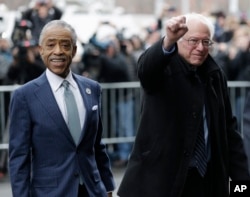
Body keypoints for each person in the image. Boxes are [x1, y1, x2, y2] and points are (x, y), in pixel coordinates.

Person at [117, 13, 250, 197]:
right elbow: (145, 69)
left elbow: (228, 131)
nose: (200, 48)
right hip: (161, 182)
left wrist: (242, 187)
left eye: (206, 42)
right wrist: (167, 40)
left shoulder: (215, 74)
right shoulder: (163, 68)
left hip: (207, 180)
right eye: (193, 41)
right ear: (179, 40)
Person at [8, 20, 115, 197]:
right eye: (51, 45)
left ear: (73, 50)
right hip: (50, 192)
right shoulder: (24, 96)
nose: (58, 51)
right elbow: (19, 158)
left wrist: (108, 186)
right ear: (41, 49)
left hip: (93, 190)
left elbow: (96, 144)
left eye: (65, 45)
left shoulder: (92, 89)